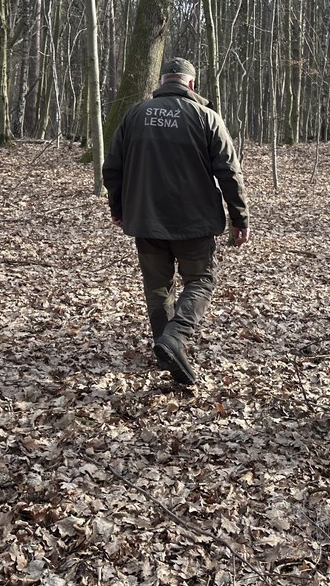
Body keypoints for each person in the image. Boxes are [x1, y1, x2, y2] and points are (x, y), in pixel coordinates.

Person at [102, 57, 249, 386]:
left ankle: (166, 350)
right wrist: (239, 217)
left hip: (146, 219)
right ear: (191, 84)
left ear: (163, 82)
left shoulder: (135, 114)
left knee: (158, 288)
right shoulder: (206, 117)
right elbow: (229, 172)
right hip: (193, 222)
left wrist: (119, 207)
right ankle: (175, 339)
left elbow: (112, 168)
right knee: (200, 281)